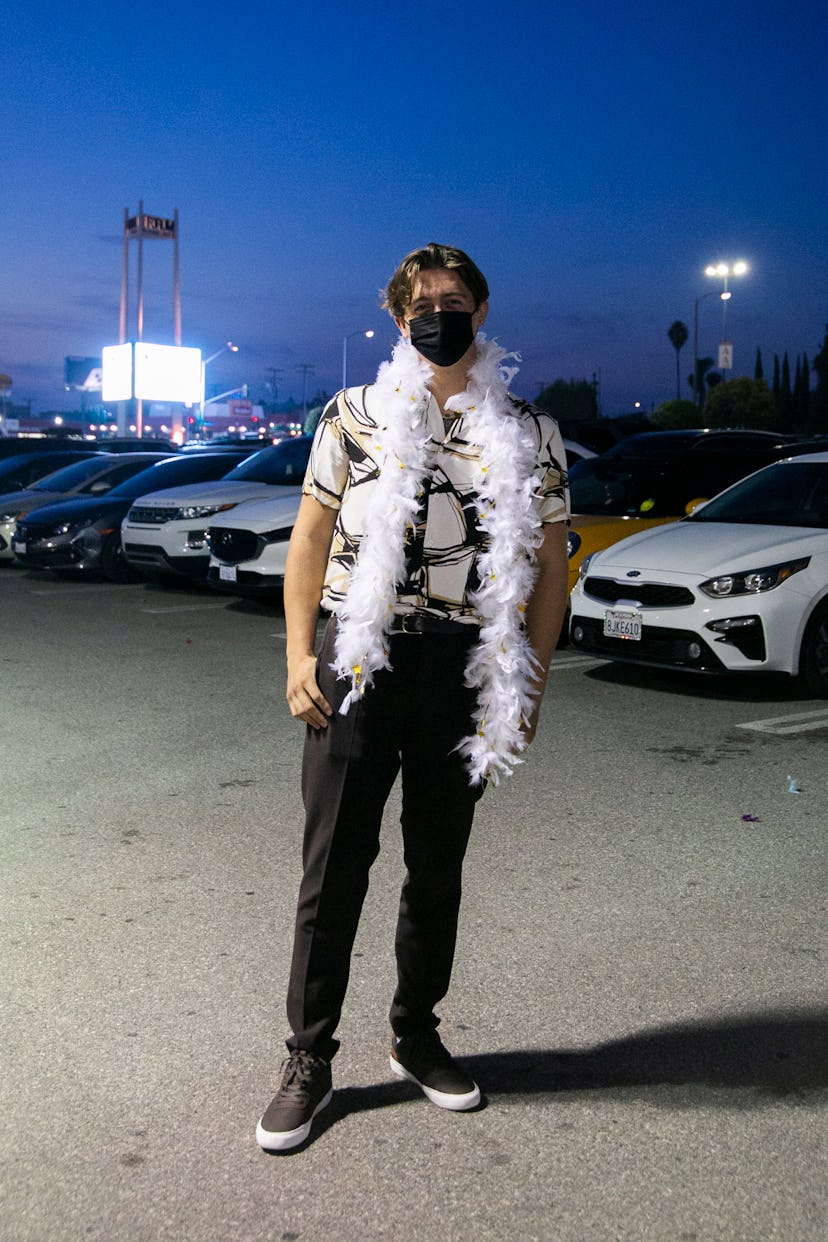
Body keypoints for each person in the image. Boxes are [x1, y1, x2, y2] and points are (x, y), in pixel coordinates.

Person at [256, 243, 570, 1151]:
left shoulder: (530, 431)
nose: (441, 313)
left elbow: (551, 573)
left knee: (437, 868)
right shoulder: (352, 415)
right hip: (358, 660)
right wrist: (295, 656)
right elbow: (309, 540)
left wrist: (530, 686)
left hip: (465, 668)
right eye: (423, 302)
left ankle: (416, 1034)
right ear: (399, 319)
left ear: (481, 310)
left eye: (457, 298)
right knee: (334, 868)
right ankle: (308, 1057)